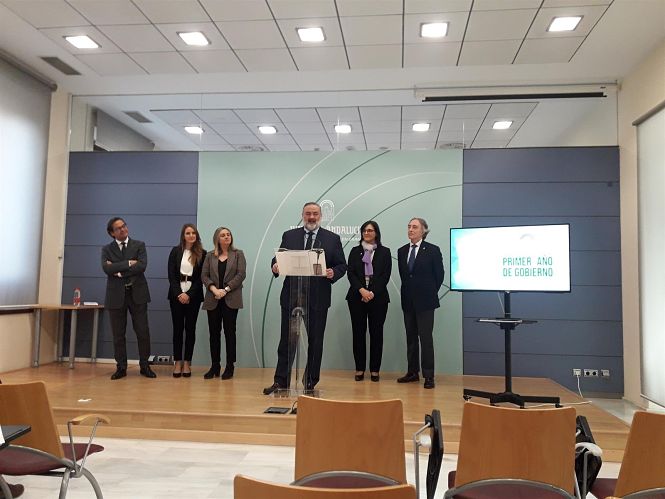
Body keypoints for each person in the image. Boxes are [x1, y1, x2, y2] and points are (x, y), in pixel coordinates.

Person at [263, 202, 347, 394]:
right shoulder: (289, 235)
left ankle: (310, 381)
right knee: (287, 342)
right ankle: (281, 381)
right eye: (308, 213)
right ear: (302, 215)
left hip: (318, 300)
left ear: (320, 216)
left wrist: (333, 272)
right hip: (292, 298)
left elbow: (342, 265)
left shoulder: (332, 239)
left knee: (315, 342)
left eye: (315, 214)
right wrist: (275, 266)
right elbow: (278, 258)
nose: (311, 217)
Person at [102, 217, 156, 380]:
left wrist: (118, 270)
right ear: (112, 233)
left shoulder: (139, 245)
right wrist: (128, 263)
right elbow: (106, 269)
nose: (123, 229)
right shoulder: (107, 249)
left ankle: (145, 366)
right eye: (118, 228)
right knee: (118, 334)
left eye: (124, 226)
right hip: (115, 296)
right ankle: (121, 367)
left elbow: (142, 266)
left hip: (137, 294)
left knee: (142, 331)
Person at [397, 217, 444, 389]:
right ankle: (412, 372)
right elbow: (405, 276)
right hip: (408, 301)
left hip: (426, 302)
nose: (410, 230)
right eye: (409, 226)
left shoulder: (432, 250)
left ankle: (429, 376)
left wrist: (428, 292)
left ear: (423, 230)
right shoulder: (402, 251)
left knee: (426, 339)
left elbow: (439, 276)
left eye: (415, 227)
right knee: (411, 338)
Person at [345, 220, 392, 382]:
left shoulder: (385, 252)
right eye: (364, 230)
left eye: (370, 230)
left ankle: (374, 370)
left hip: (378, 299)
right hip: (356, 297)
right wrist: (362, 290)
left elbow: (385, 276)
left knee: (376, 334)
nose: (367, 233)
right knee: (358, 333)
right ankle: (359, 368)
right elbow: (350, 273)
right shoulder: (354, 251)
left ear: (376, 233)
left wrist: (371, 292)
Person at [201, 227, 246, 380]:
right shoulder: (209, 256)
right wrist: (214, 289)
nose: (227, 237)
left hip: (230, 298)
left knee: (229, 333)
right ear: (217, 239)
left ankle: (229, 366)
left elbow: (241, 274)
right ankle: (215, 366)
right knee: (214, 333)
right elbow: (204, 275)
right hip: (213, 298)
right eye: (223, 235)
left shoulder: (238, 254)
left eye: (228, 234)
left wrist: (225, 290)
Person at [167, 224, 206, 378]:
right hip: (176, 296)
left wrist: (188, 294)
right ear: (183, 236)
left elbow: (201, 278)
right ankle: (178, 362)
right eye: (188, 233)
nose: (191, 235)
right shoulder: (175, 251)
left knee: (190, 329)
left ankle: (187, 362)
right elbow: (171, 275)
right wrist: (179, 294)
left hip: (193, 297)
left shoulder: (202, 253)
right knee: (177, 329)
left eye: (193, 233)